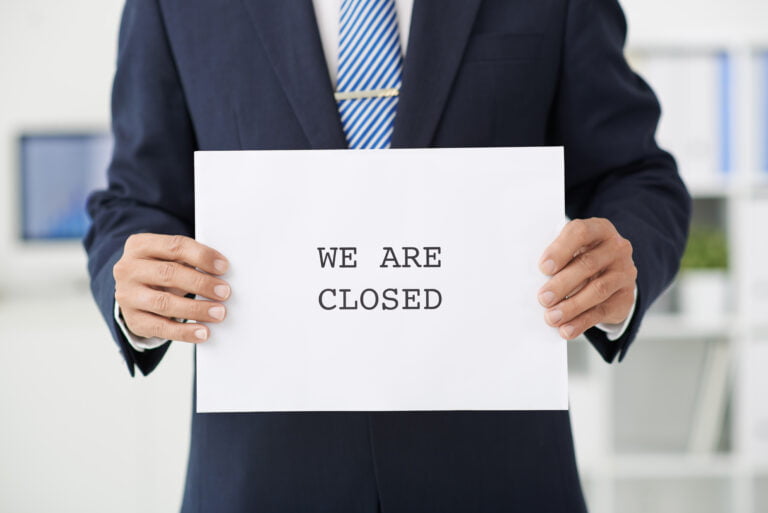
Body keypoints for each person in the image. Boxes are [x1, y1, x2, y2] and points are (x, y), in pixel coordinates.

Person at [84, 0, 691, 511]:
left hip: (499, 473)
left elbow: (636, 173)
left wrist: (620, 260)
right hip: (263, 476)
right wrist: (135, 280)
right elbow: (136, 199)